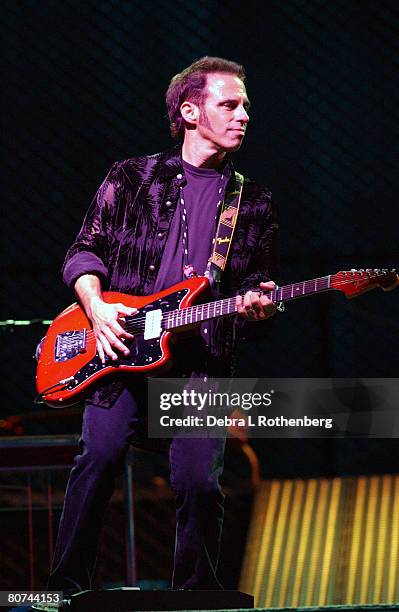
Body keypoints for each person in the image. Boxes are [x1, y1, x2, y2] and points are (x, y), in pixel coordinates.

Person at [47, 56, 278, 593]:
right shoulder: (132, 178)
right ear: (190, 111)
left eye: (245, 105)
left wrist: (261, 307)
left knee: (200, 482)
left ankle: (196, 597)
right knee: (98, 460)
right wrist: (97, 306)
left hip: (201, 361)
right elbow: (83, 252)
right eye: (230, 104)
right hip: (121, 351)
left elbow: (261, 293)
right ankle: (63, 590)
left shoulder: (255, 202)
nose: (244, 114)